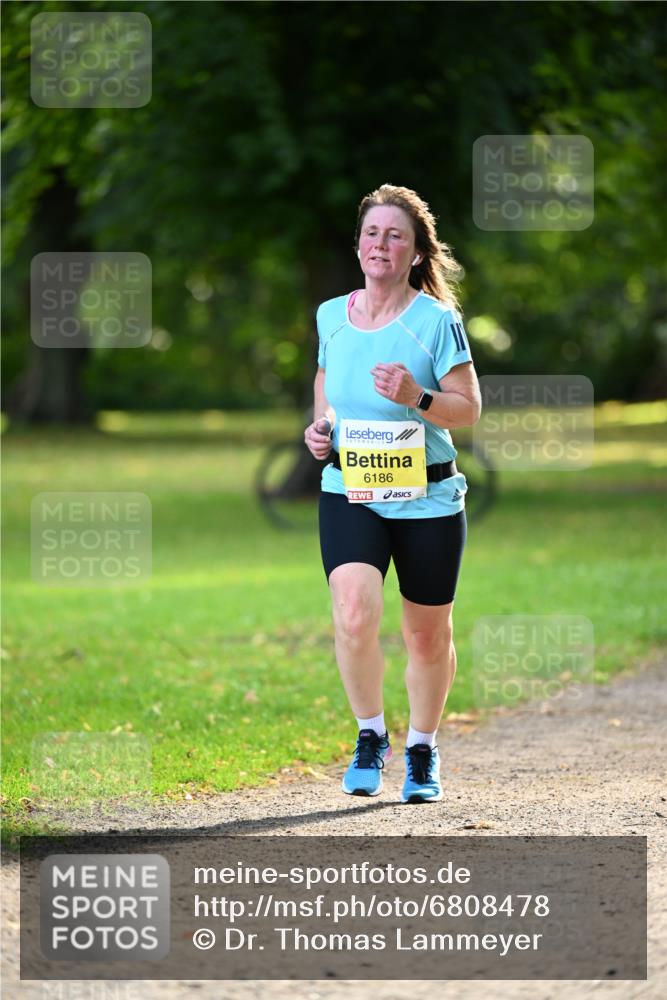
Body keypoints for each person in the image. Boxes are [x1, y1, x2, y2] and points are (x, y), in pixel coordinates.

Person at [304, 184, 481, 804]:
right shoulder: (331, 315)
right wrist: (321, 428)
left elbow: (468, 410)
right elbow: (326, 382)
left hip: (428, 497)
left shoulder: (436, 322)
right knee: (353, 612)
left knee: (426, 634)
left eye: (395, 236)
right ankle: (371, 736)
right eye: (373, 234)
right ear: (359, 247)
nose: (382, 244)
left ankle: (424, 748)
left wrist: (417, 397)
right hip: (350, 489)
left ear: (414, 252)